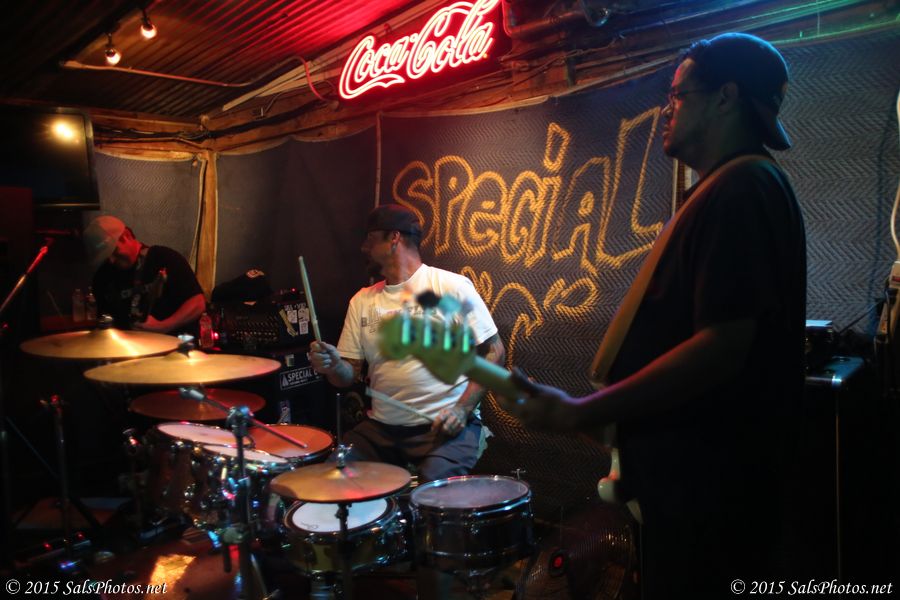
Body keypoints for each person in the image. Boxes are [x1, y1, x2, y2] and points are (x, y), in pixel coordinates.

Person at [508, 33, 806, 598]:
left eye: (677, 95)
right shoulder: (729, 187)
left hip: (712, 499)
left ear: (725, 97)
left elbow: (720, 347)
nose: (667, 109)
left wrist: (585, 410)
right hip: (696, 490)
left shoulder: (742, 187)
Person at [307, 203, 505, 484]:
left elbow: (495, 351)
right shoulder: (362, 300)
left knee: (432, 491)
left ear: (394, 238)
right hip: (381, 429)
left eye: (370, 239)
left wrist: (462, 409)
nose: (363, 247)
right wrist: (333, 366)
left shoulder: (450, 287)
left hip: (443, 429)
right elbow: (346, 376)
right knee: (331, 480)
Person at [83, 215, 206, 336]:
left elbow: (197, 303)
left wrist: (164, 326)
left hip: (174, 345)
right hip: (129, 347)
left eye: (114, 251)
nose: (111, 260)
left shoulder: (164, 258)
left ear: (126, 236)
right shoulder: (102, 277)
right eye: (105, 257)